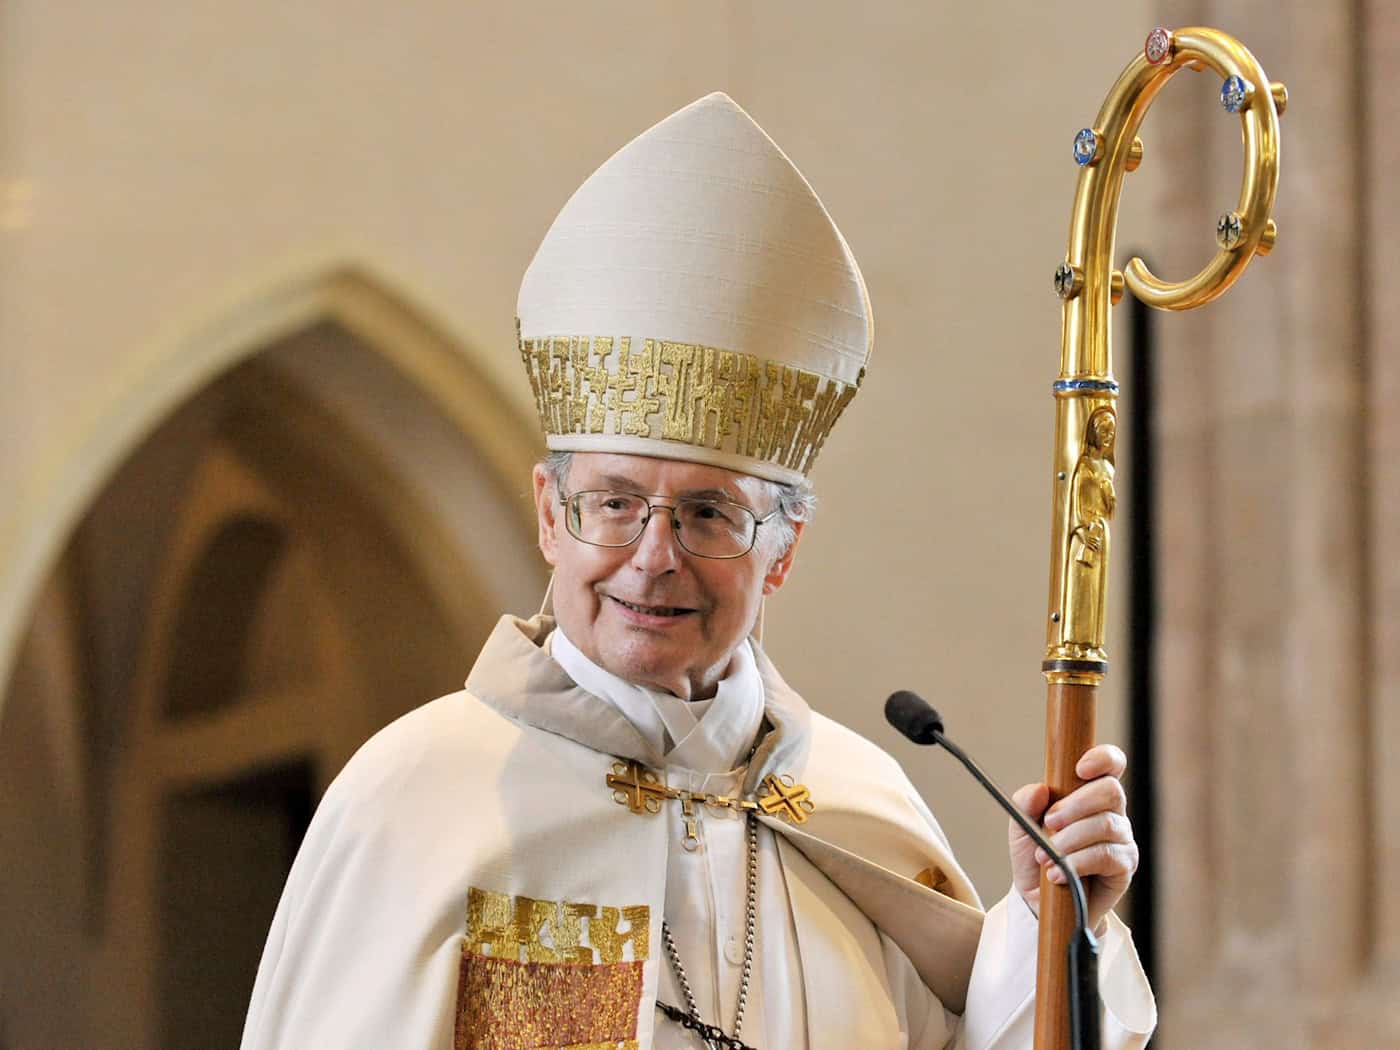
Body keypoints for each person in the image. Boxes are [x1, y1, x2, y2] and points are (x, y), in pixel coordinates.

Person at [241, 92, 1155, 1050]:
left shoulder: (859, 805)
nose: (654, 555)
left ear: (784, 550)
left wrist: (1054, 923)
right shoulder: (414, 801)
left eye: (710, 513)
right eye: (616, 502)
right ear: (552, 518)